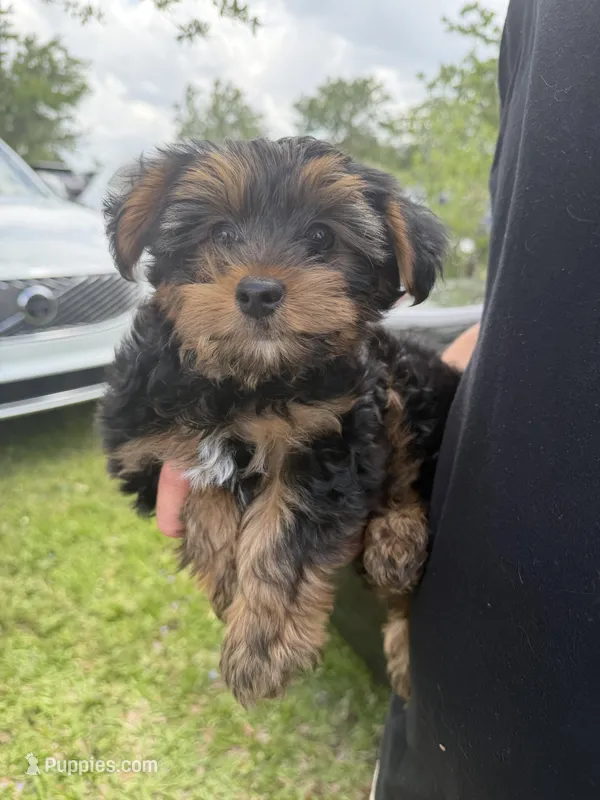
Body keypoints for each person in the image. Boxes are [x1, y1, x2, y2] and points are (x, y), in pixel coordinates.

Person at [157, 0, 600, 796]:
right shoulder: (538, 20)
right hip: (461, 656)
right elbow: (530, 282)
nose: (260, 274)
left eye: (322, 242)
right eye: (223, 239)